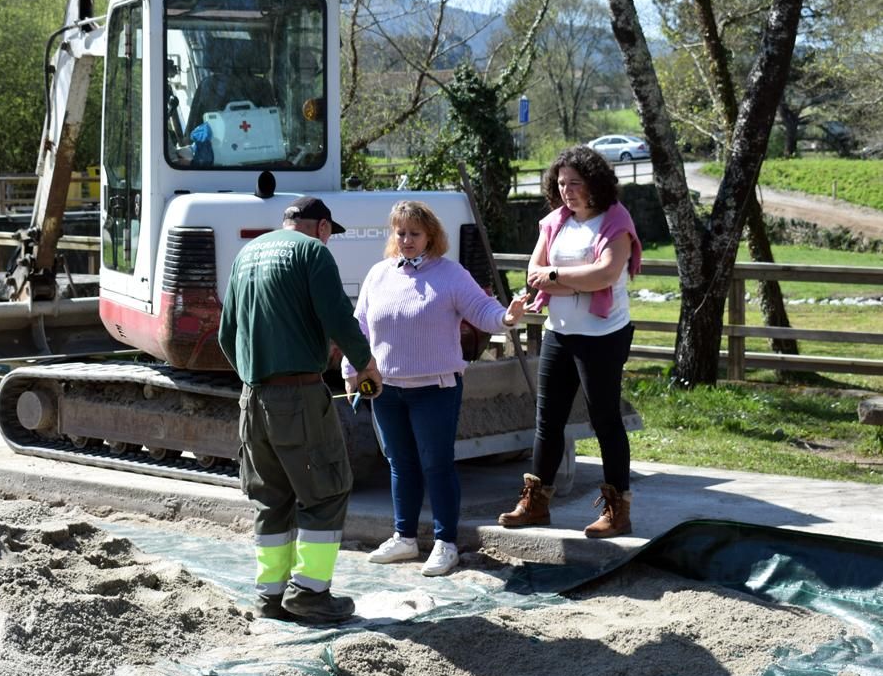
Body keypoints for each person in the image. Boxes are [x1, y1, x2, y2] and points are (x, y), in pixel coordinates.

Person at [218, 195, 383, 624]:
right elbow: (339, 319)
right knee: (326, 490)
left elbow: (226, 334)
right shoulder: (313, 253)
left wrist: (256, 379)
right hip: (298, 396)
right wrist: (365, 364)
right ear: (323, 227)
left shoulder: (247, 253)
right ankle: (310, 592)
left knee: (271, 498)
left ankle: (270, 596)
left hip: (252, 397)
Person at [342, 201, 528, 576]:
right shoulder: (379, 274)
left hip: (436, 388)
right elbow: (358, 326)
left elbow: (482, 310)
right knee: (399, 463)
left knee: (437, 464)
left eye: (414, 233)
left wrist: (507, 317)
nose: (407, 240)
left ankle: (446, 542)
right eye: (400, 233)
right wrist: (351, 369)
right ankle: (404, 537)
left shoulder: (450, 274)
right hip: (386, 389)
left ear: (431, 236)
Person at [498, 145, 642, 538]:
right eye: (561, 183)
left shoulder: (615, 220)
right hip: (559, 333)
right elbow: (533, 273)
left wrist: (557, 278)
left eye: (575, 183)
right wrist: (566, 278)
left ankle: (617, 509)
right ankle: (536, 502)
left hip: (603, 336)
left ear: (595, 183)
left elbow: (605, 275)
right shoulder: (555, 221)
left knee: (605, 420)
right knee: (548, 421)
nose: (567, 190)